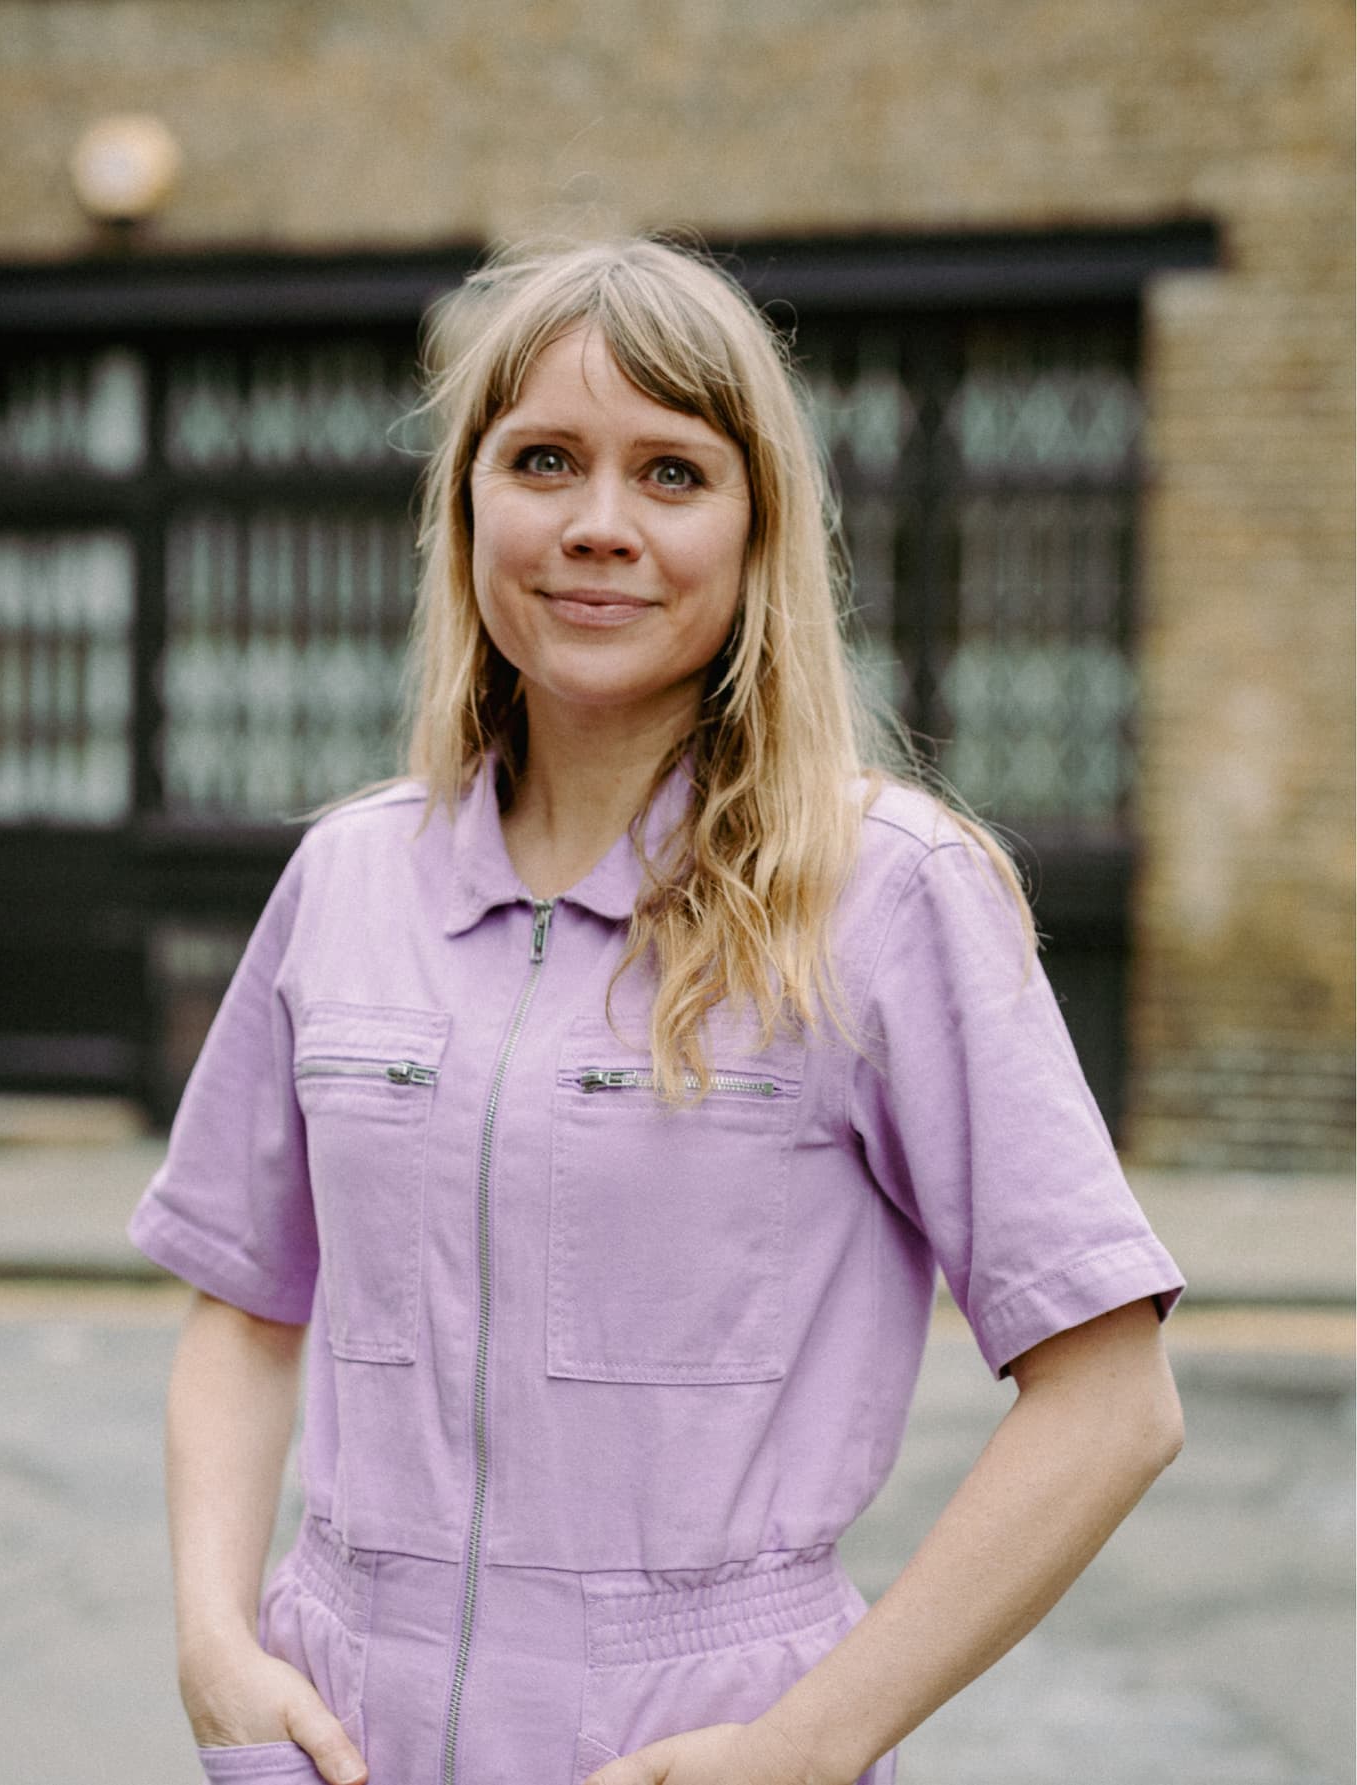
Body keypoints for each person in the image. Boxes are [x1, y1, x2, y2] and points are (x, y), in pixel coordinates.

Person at [128, 236, 1185, 1785]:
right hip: (342, 1730)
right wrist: (217, 1643)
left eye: (673, 472)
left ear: (758, 529)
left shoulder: (886, 896)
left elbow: (1113, 1401)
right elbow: (242, 1299)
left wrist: (806, 1747)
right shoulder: (349, 877)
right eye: (543, 459)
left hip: (700, 1747)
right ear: (468, 502)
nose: (599, 525)